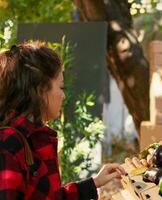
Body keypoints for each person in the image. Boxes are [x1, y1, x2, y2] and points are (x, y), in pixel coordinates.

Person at [0, 41, 125, 199]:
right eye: (61, 87)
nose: (63, 96)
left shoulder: (34, 138)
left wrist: (94, 183)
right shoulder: (8, 144)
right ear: (40, 90)